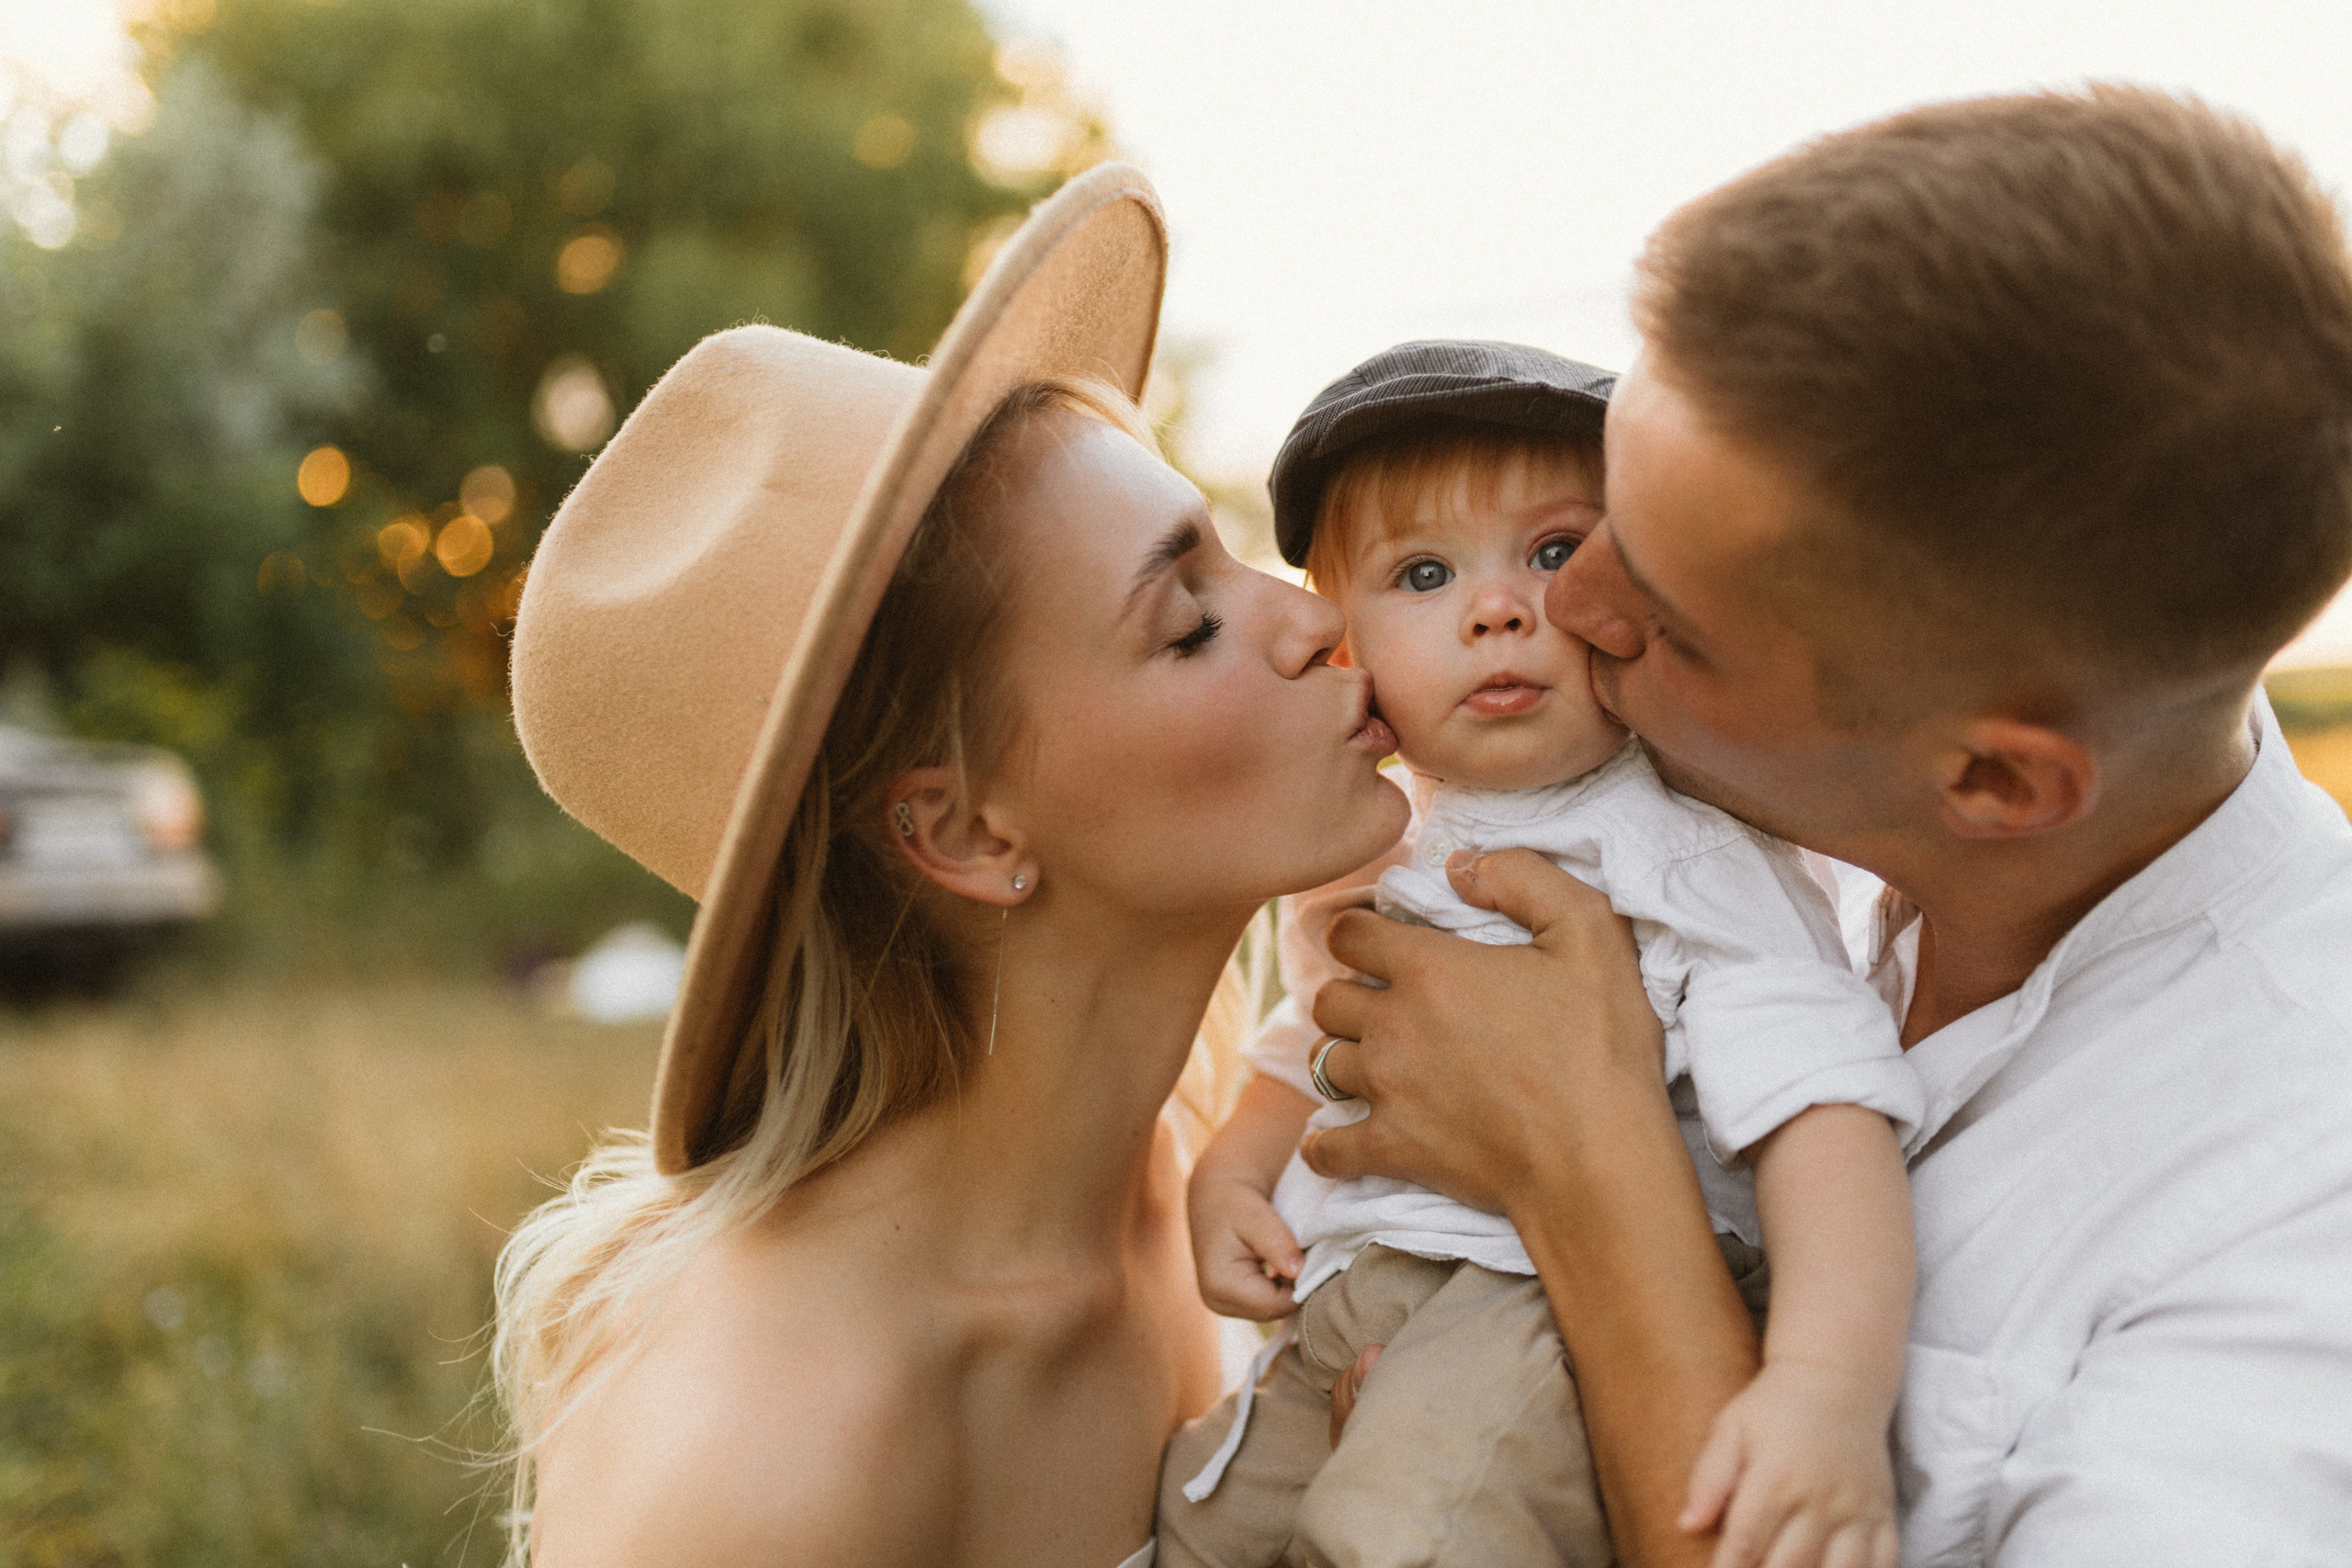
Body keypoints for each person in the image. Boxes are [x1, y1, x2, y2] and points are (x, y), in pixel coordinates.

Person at [1301, 86, 2352, 1567]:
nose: (1569, 610)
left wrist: (1590, 1185)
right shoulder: (1788, 861)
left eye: (1663, 619)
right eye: (1595, 517)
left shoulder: (2299, 1232)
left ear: (1992, 783)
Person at [491, 165, 1412, 1568]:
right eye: (1187, 624)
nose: (1316, 620)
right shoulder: (778, 1450)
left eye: (1237, 564)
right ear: (972, 833)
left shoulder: (1219, 1174)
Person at [1158, 341, 1920, 1568]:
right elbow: (1316, 1035)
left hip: (1546, 1309)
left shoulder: (1678, 854)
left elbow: (1828, 1119)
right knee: (1206, 1521)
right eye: (1423, 573)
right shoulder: (1374, 834)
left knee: (1399, 1536)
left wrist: (1829, 1390)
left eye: (1556, 554)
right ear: (1347, 646)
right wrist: (1231, 1176)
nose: (1498, 607)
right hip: (1357, 1287)